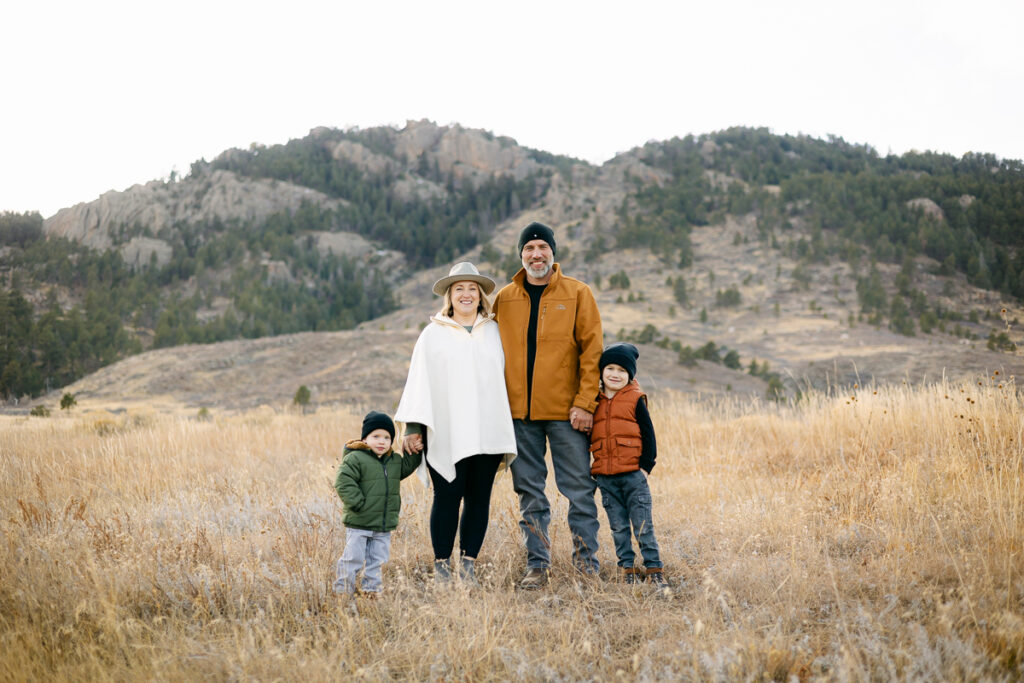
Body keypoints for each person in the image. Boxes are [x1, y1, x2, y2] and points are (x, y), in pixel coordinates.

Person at [493, 221, 604, 589]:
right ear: (520, 255)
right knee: (529, 493)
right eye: (529, 249)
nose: (536, 254)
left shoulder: (578, 293)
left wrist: (586, 403)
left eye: (542, 248)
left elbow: (592, 353)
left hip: (566, 415)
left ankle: (586, 564)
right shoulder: (505, 298)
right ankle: (537, 566)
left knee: (579, 491)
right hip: (519, 416)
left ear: (553, 253)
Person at [395, 262, 517, 584]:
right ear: (450, 295)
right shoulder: (433, 334)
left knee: (479, 499)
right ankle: (442, 566)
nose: (466, 294)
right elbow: (419, 381)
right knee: (447, 496)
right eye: (459, 288)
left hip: (487, 429)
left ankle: (469, 565)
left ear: (480, 296)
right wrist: (412, 427)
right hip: (448, 430)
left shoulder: (494, 331)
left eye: (472, 289)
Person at [589, 343, 665, 586]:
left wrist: (645, 466)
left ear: (630, 375)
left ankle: (654, 569)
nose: (615, 374)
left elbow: (648, 433)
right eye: (609, 368)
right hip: (606, 478)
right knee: (618, 527)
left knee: (642, 525)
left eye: (622, 370)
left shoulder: (635, 399)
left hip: (633, 475)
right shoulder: (594, 401)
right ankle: (627, 569)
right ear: (601, 372)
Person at [333, 411, 422, 596]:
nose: (382, 441)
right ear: (365, 438)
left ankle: (371, 591)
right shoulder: (355, 458)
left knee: (378, 561)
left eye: (387, 437)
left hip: (382, 526)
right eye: (376, 436)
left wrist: (415, 452)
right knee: (353, 558)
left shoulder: (394, 461)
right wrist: (358, 503)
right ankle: (342, 592)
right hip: (359, 522)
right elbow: (343, 481)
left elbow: (406, 467)